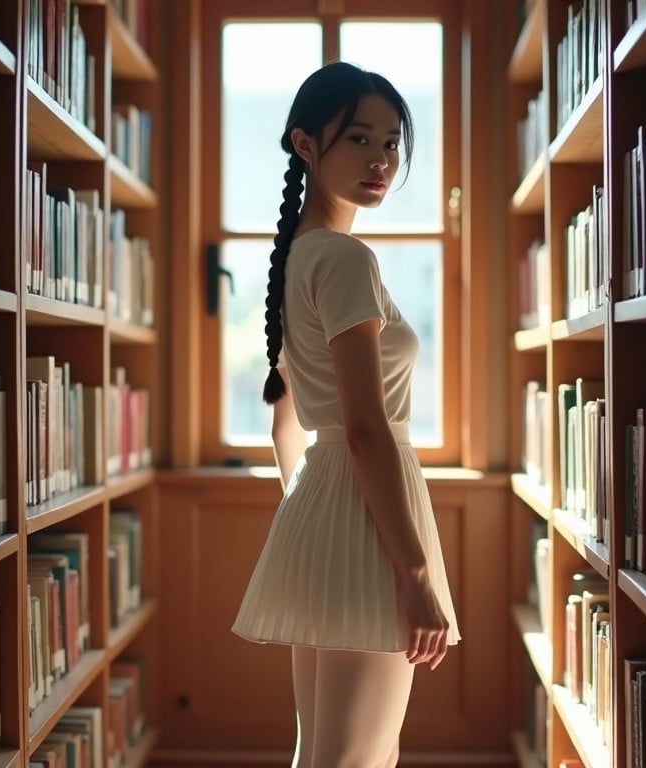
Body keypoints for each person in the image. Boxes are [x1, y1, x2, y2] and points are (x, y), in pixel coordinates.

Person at [231, 61, 461, 768]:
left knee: (323, 753)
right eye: (359, 139)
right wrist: (417, 575)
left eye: (392, 142)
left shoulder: (295, 258)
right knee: (357, 759)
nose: (380, 159)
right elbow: (364, 430)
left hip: (329, 513)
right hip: (368, 520)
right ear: (306, 145)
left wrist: (313, 517)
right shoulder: (344, 259)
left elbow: (283, 426)